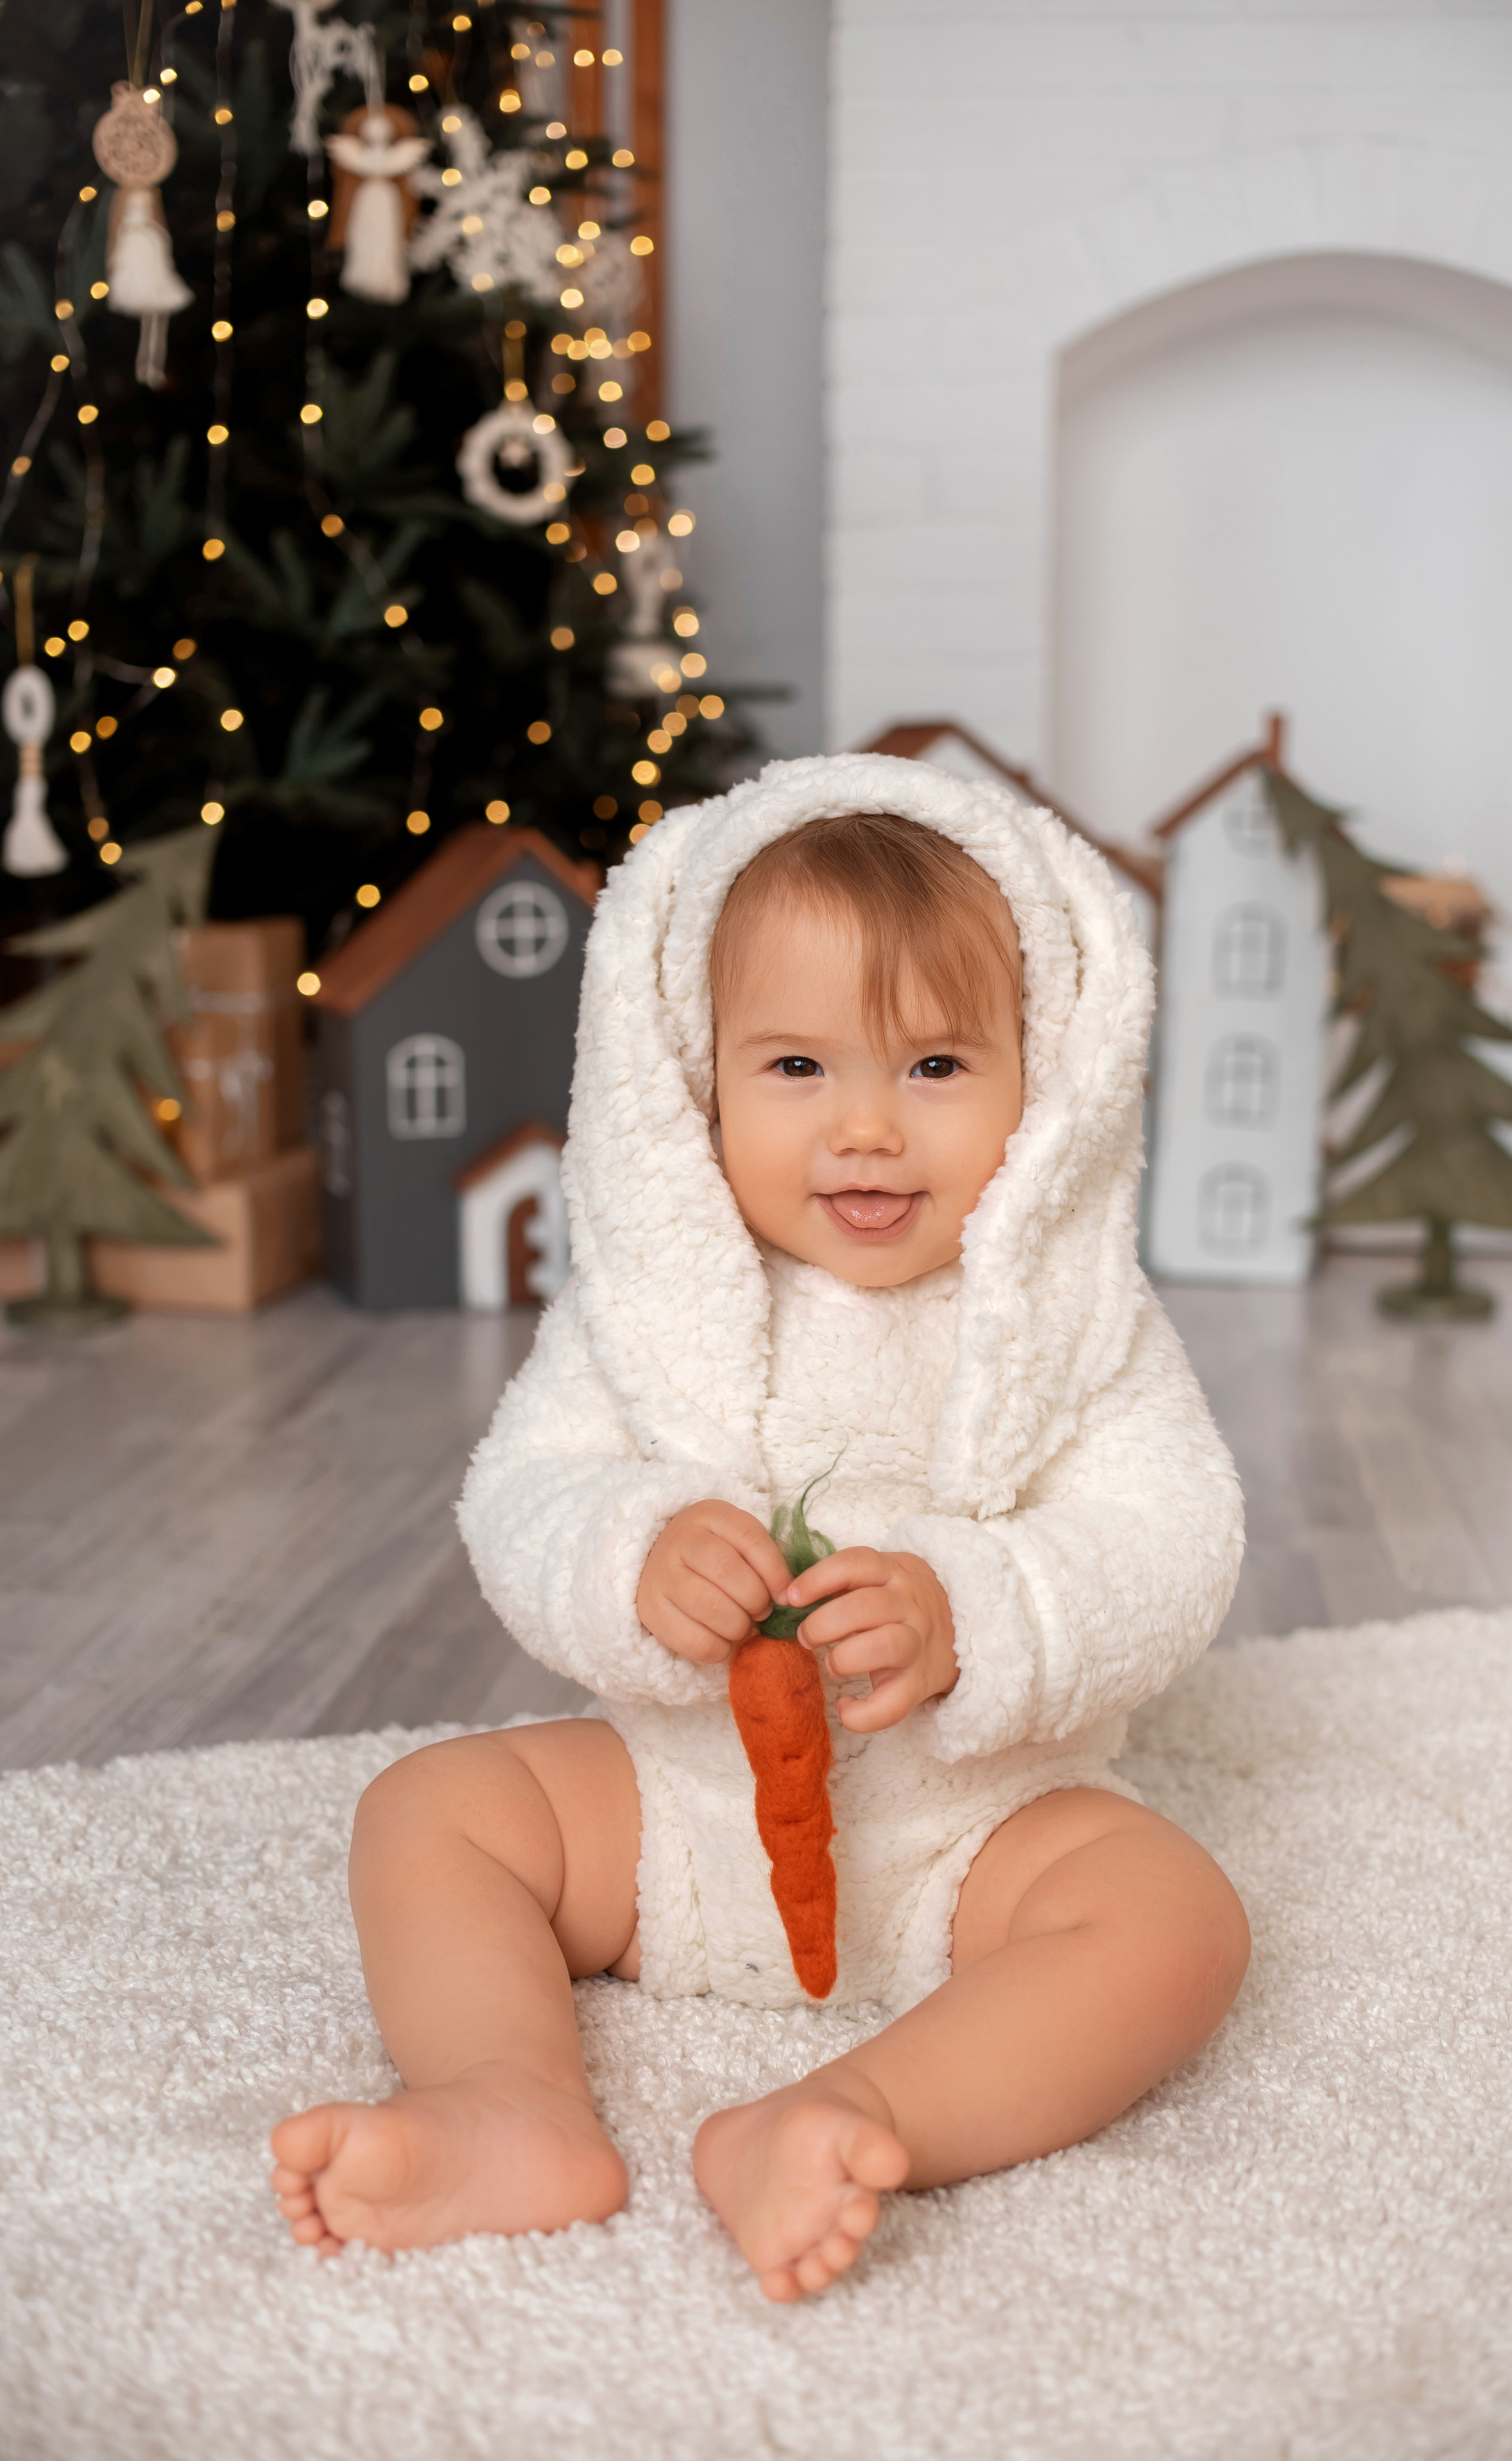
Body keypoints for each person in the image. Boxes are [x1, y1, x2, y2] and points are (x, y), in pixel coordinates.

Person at [270, 756, 1250, 2302]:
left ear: (1042, 1081)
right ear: (691, 1082)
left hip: (967, 1837)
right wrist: (633, 1549)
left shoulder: (1076, 1320)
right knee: (430, 1810)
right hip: (672, 1815)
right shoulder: (653, 1305)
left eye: (933, 1069)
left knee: (1173, 1920)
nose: (864, 1129)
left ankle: (852, 2113)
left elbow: (1170, 1538)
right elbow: (522, 1493)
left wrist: (976, 1612)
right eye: (796, 1068)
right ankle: (505, 2104)